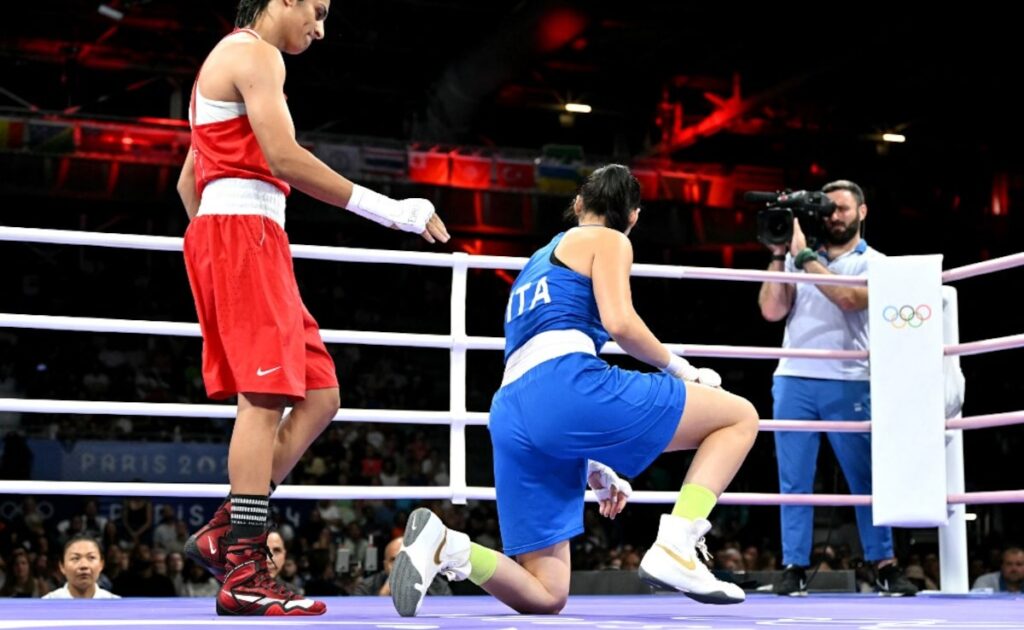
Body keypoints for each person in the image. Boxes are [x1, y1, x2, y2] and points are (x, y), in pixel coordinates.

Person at [175, 0, 450, 618]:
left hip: (247, 235)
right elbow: (284, 158)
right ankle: (245, 567)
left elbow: (187, 183)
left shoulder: (229, 62)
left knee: (321, 394)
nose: (320, 29)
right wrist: (392, 209)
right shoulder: (254, 53)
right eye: (317, 10)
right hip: (244, 234)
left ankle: (226, 528)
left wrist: (220, 246)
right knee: (264, 397)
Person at [388, 164, 759, 617]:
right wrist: (681, 368)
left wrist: (592, 466)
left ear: (579, 203)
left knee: (546, 593)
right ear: (634, 216)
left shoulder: (535, 263)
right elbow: (620, 323)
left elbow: (543, 381)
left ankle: (447, 547)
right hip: (564, 386)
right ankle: (677, 544)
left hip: (512, 409)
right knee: (738, 417)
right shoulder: (609, 239)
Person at [757, 179, 917, 596]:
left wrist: (805, 258)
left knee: (864, 478)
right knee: (793, 479)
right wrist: (780, 256)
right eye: (829, 209)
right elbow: (772, 311)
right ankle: (793, 565)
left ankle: (884, 564)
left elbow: (847, 299)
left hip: (850, 379)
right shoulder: (798, 258)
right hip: (793, 376)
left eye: (844, 208)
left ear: (862, 212)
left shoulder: (876, 263)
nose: (835, 216)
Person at [353, 537, 451, 597]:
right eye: (394, 560)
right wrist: (384, 594)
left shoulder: (439, 587)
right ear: (385, 565)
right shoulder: (366, 588)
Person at [42, 535, 119, 599]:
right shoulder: (47, 604)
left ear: (101, 564)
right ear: (62, 566)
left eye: (91, 557)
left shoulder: (116, 604)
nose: (84, 565)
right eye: (75, 558)